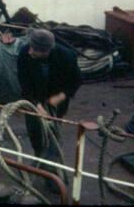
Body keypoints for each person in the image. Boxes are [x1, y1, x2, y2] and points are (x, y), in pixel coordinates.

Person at [16, 29, 81, 175]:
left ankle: (52, 170)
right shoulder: (24, 54)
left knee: (53, 134)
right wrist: (37, 105)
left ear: (46, 52)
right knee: (34, 131)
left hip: (56, 101)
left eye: (34, 49)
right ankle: (40, 157)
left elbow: (76, 80)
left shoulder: (67, 56)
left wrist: (62, 96)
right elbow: (24, 82)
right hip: (33, 98)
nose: (30, 51)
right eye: (30, 47)